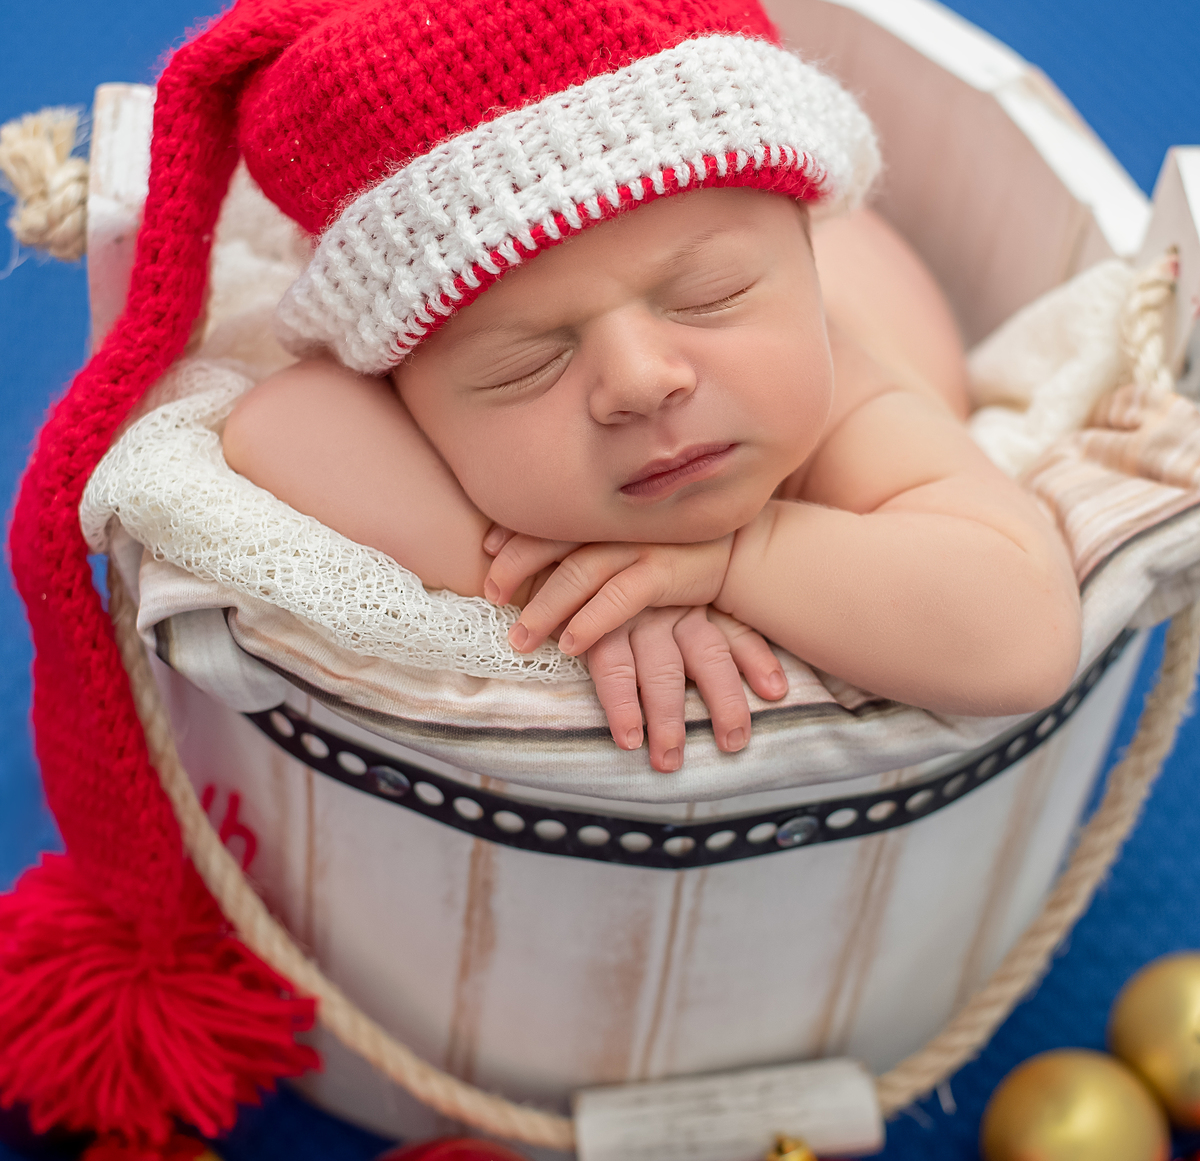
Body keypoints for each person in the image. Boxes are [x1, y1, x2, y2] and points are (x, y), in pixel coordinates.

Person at [225, 178, 1080, 771]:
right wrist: (578, 584)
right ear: (399, 396)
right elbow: (277, 422)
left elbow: (1022, 633)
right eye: (525, 364)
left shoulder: (844, 399)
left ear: (807, 276)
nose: (640, 379)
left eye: (708, 297)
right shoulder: (398, 359)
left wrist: (735, 557)